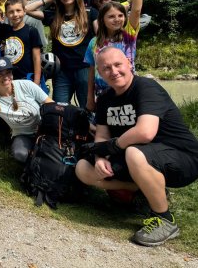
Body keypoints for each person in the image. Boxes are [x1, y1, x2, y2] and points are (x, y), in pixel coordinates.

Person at [75, 47, 198, 246]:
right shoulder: (105, 99)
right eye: (106, 68)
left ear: (129, 64)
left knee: (133, 151)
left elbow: (145, 132)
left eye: (117, 65)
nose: (113, 71)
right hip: (139, 158)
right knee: (83, 169)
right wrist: (99, 158)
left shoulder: (146, 87)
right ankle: (142, 189)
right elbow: (102, 134)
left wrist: (112, 147)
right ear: (100, 72)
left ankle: (164, 219)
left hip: (182, 157)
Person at [28, 0, 98, 106]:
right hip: (62, 71)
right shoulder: (53, 15)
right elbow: (27, 9)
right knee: (60, 110)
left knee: (87, 107)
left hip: (85, 68)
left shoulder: (90, 13)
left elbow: (101, 35)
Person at [0, 57, 53, 163]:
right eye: (0, 74)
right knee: (19, 154)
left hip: (44, 130)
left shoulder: (26, 85)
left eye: (8, 72)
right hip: (22, 135)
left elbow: (51, 105)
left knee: (52, 152)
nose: (5, 77)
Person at [85, 0, 144, 111]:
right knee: (106, 130)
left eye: (120, 16)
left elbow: (136, 10)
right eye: (111, 16)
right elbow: (92, 71)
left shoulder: (128, 36)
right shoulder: (94, 42)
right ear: (102, 20)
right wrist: (90, 98)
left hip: (128, 91)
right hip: (102, 94)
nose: (117, 19)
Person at [0, 0, 43, 86]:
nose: (15, 14)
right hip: (8, 81)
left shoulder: (31, 31)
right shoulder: (4, 29)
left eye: (18, 10)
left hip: (27, 80)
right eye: (11, 12)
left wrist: (36, 82)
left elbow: (37, 58)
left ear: (24, 11)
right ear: (6, 14)